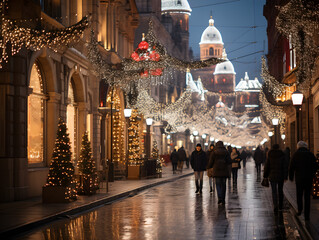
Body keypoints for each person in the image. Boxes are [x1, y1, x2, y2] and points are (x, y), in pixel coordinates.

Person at [289, 141, 318, 221]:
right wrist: (312, 174)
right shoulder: (310, 154)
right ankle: (307, 214)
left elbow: (291, 166)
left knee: (299, 195)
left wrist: (291, 177)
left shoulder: (295, 154)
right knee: (307, 196)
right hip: (308, 179)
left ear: (298, 146)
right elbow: (315, 166)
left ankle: (299, 210)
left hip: (299, 178)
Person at [263, 144, 288, 214]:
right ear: (279, 148)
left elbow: (267, 166)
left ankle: (275, 206)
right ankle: (280, 206)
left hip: (272, 175)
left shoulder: (270, 155)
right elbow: (285, 166)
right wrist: (285, 176)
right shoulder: (282, 155)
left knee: (274, 191)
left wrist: (265, 175)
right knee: (280, 191)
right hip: (280, 176)